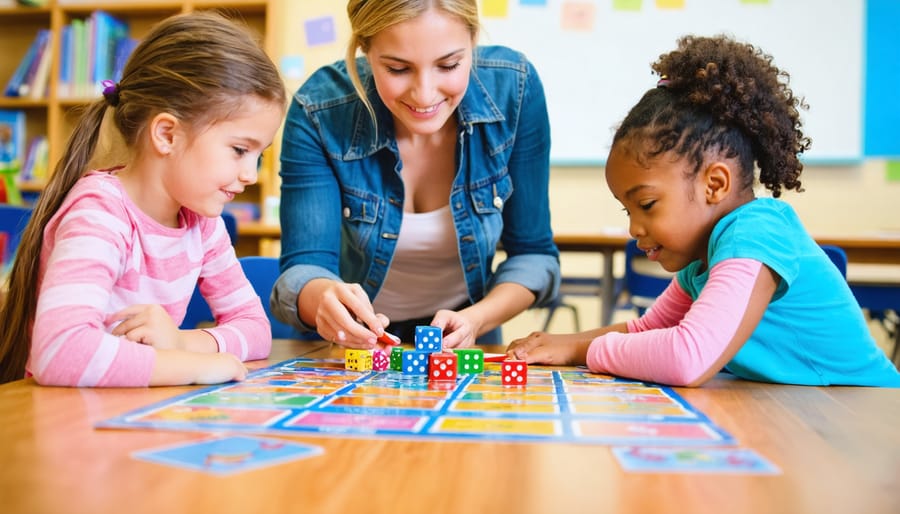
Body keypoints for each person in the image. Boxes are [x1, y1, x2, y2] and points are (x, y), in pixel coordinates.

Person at [507, 35, 900, 387]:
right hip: (809, 417)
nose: (634, 228)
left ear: (715, 184)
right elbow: (648, 329)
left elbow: (687, 357)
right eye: (627, 210)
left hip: (866, 416)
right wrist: (563, 344)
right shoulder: (703, 259)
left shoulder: (755, 233)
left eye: (646, 205)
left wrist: (583, 352)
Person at [0, 12, 287, 386]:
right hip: (66, 420)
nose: (251, 174)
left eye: (258, 155)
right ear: (167, 134)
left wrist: (181, 342)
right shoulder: (99, 213)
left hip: (133, 413)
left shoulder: (203, 225)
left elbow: (255, 329)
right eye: (238, 150)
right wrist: (196, 366)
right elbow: (61, 352)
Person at [271, 0, 560, 349]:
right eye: (397, 69)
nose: (425, 94)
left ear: (472, 42)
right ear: (365, 48)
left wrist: (476, 319)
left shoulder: (516, 89)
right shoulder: (320, 110)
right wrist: (324, 298)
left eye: (449, 65)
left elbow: (534, 254)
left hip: (469, 332)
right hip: (352, 344)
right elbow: (303, 268)